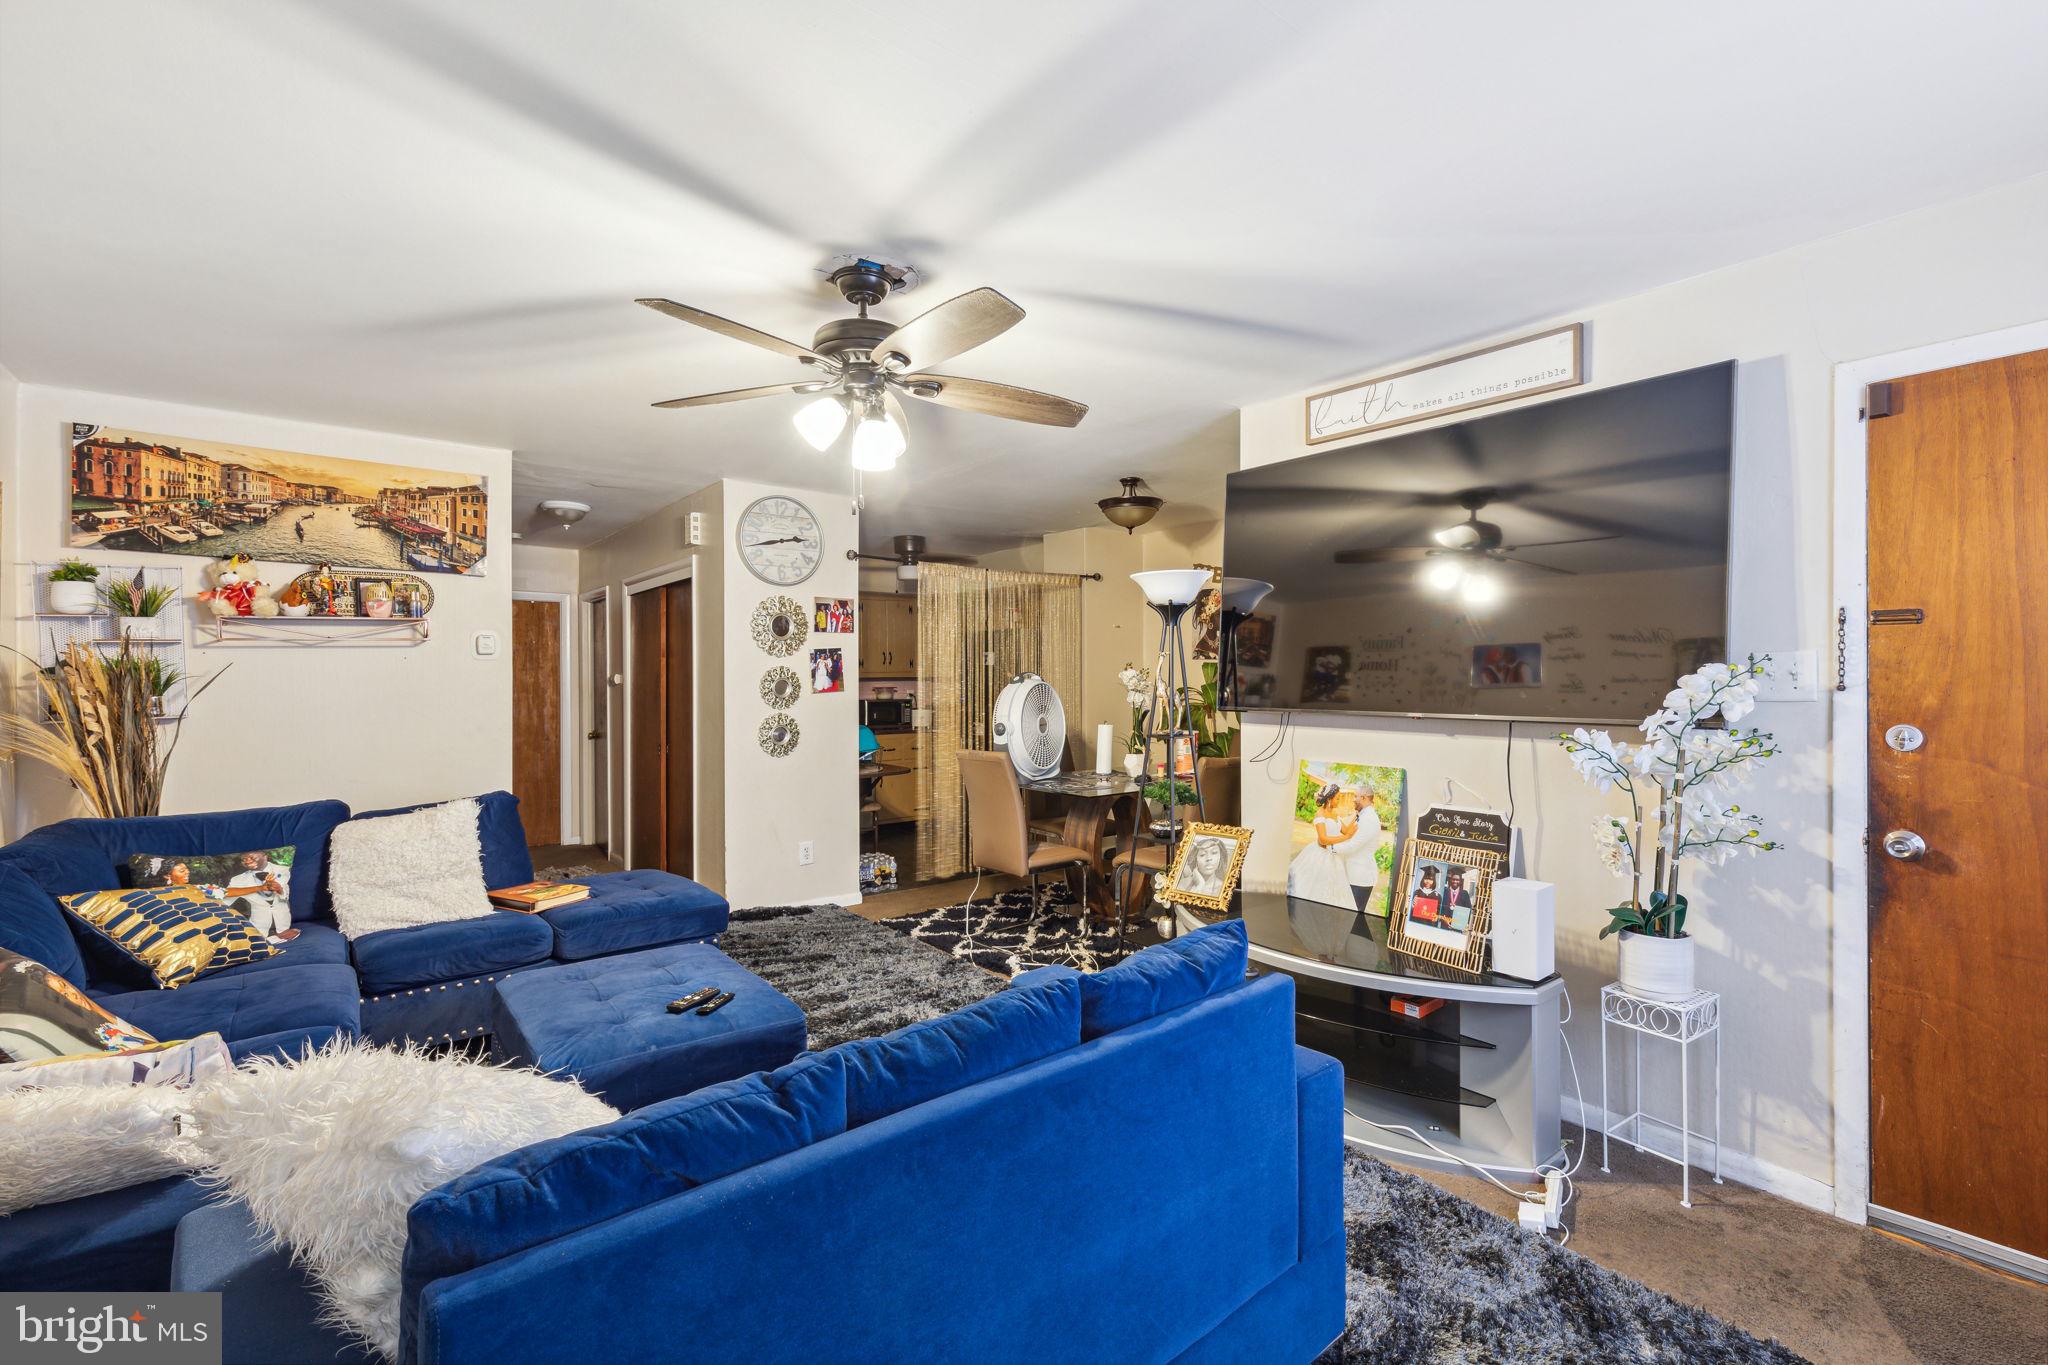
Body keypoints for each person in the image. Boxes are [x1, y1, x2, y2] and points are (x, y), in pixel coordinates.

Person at [1288, 782, 1358, 910]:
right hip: (1321, 855)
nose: (1339, 801)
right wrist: (1347, 838)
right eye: (1337, 798)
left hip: (1334, 855)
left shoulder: (1335, 814)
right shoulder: (1320, 814)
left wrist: (1356, 815)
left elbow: (1346, 830)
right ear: (1330, 799)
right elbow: (1323, 839)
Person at [1329, 788, 1384, 913]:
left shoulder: (1369, 819)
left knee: (1353, 917)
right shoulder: (1364, 815)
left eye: (1356, 796)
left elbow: (1353, 845)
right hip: (1354, 873)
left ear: (1364, 798)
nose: (1353, 799)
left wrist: (1331, 848)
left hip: (1360, 877)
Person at [224, 850, 297, 942]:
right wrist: (260, 888)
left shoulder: (285, 870)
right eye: (243, 859)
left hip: (287, 928)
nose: (247, 861)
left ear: (265, 856)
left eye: (251, 857)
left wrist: (279, 889)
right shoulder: (238, 880)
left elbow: (292, 893)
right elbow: (225, 898)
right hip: (258, 930)